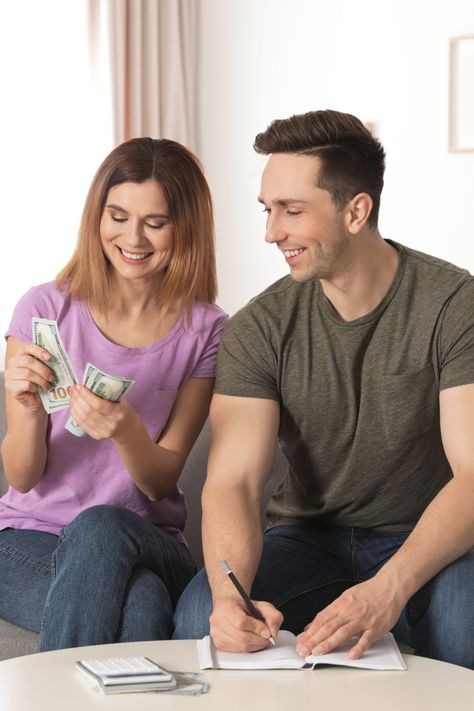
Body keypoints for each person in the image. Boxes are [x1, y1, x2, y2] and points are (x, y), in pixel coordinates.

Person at [173, 110, 474, 669]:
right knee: (199, 619)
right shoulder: (258, 326)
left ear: (357, 210)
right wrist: (227, 594)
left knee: (465, 620)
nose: (271, 232)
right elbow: (234, 480)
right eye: (268, 210)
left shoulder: (455, 305)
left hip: (425, 538)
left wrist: (389, 587)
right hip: (310, 537)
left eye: (292, 211)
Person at [0, 137, 228, 650]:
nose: (133, 238)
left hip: (146, 541)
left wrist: (126, 431)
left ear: (185, 225)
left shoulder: (206, 330)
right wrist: (29, 409)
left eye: (156, 222)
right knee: (143, 607)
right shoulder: (43, 309)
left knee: (102, 526)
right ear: (96, 217)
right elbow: (22, 476)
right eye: (117, 216)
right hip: (30, 540)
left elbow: (161, 479)